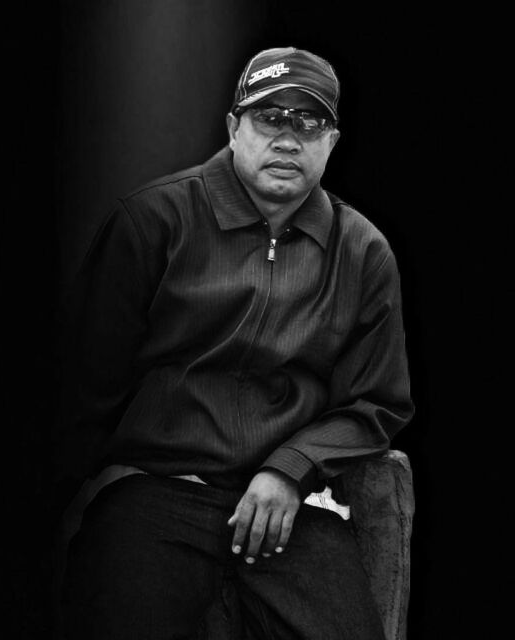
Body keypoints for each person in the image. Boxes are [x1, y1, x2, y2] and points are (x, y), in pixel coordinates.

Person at [56, 46, 414, 639]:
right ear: (233, 127)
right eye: (270, 117)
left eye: (309, 123)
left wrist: (292, 468)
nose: (288, 139)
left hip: (289, 507)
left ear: (332, 142)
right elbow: (79, 385)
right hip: (157, 491)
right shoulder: (154, 220)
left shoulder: (363, 251)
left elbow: (378, 401)